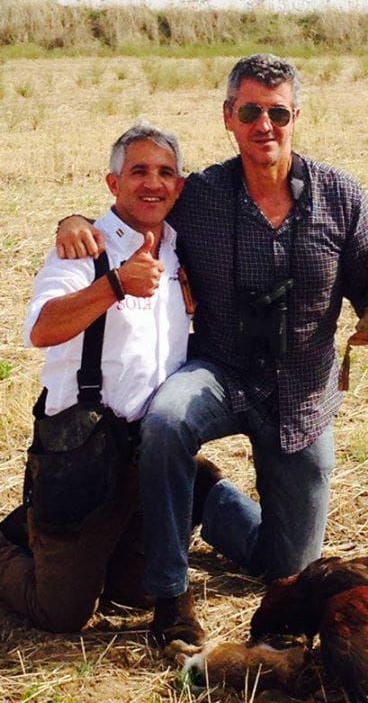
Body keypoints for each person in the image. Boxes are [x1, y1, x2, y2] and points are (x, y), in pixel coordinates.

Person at [55, 54, 368, 648]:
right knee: (167, 419)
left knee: (286, 570)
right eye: (250, 110)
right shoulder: (200, 194)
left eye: (277, 112)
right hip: (220, 373)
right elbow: (134, 202)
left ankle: (210, 497)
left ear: (295, 117)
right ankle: (170, 599)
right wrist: (74, 219)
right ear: (229, 117)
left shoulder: (342, 196)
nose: (265, 125)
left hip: (301, 395)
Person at [0, 123, 219, 635]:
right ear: (112, 182)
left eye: (165, 173)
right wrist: (114, 284)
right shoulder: (84, 247)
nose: (152, 183)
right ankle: (23, 533)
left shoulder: (182, 250)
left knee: (139, 594)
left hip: (148, 459)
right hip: (83, 455)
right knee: (63, 613)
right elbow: (42, 328)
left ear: (179, 187)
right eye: (138, 171)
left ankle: (183, 496)